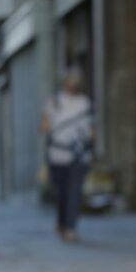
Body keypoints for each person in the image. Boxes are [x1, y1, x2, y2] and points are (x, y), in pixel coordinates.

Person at [41, 67, 94, 243]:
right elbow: (92, 130)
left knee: (68, 191)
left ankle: (68, 226)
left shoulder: (55, 101)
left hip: (62, 153)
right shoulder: (84, 102)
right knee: (69, 192)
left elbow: (44, 128)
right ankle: (65, 224)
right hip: (73, 153)